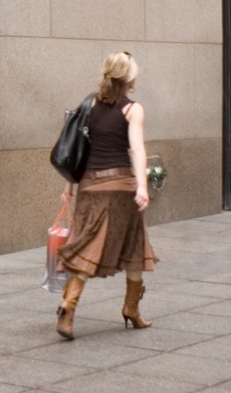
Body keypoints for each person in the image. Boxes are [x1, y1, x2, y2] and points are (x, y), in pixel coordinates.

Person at [55, 51, 158, 341]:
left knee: (86, 245)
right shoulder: (132, 110)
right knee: (135, 247)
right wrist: (142, 186)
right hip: (121, 187)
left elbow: (74, 147)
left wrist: (69, 187)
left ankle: (69, 303)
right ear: (130, 78)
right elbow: (136, 149)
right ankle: (130, 308)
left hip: (89, 186)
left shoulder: (89, 103)